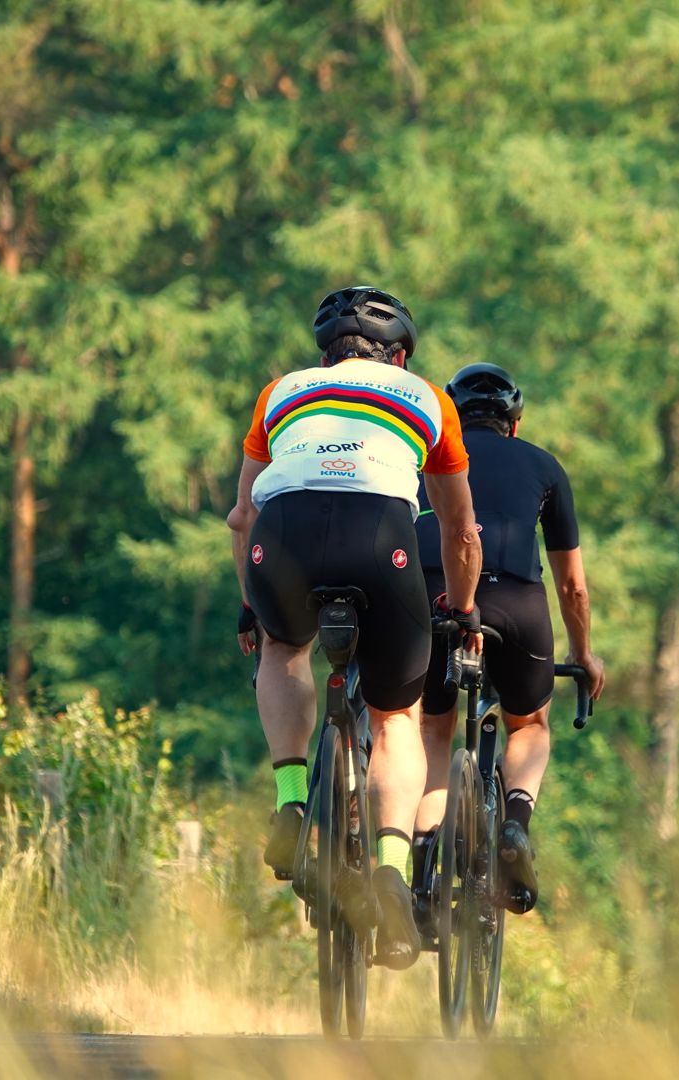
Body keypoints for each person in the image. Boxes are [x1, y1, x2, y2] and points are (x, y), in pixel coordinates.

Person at [227, 286, 483, 969]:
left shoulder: (280, 391)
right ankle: (393, 872)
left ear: (326, 354)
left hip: (284, 536)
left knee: (284, 650)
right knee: (396, 716)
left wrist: (252, 609)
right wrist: (461, 609)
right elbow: (459, 530)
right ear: (398, 355)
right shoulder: (428, 396)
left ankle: (288, 802)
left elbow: (242, 516)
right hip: (381, 537)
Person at [412, 362, 605, 913]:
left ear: (451, 416)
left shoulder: (426, 457)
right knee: (530, 722)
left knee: (431, 725)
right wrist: (583, 654)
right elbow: (572, 587)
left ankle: (423, 868)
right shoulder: (544, 466)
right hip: (519, 605)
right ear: (514, 424)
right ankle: (515, 824)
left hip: (435, 595)